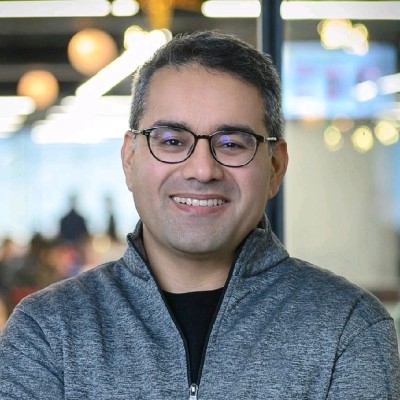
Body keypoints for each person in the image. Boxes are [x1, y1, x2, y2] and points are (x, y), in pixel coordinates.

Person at [0, 31, 399, 399]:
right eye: (172, 141)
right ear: (129, 159)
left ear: (276, 167)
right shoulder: (48, 331)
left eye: (232, 143)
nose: (203, 170)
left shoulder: (347, 328)